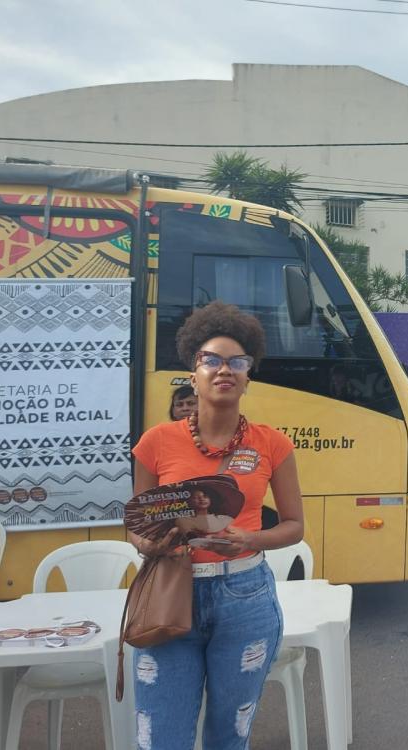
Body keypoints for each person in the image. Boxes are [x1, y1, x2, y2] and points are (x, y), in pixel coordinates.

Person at [129, 300, 305, 750]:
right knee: (162, 738)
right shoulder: (155, 443)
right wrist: (152, 544)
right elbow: (136, 524)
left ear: (248, 377)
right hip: (170, 591)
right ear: (194, 372)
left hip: (244, 598)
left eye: (237, 361)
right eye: (211, 359)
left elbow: (293, 526)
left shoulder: (274, 444)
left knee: (230, 737)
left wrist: (250, 538)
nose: (224, 369)